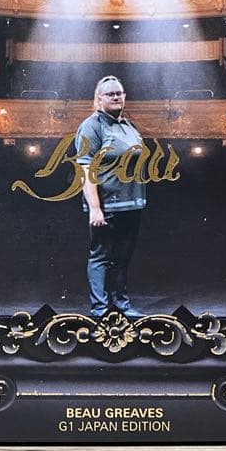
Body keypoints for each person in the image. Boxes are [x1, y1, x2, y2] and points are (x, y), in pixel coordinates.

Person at [74, 75, 146, 319]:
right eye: (110, 94)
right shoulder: (91, 126)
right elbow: (85, 170)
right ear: (99, 98)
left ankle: (122, 304)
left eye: (119, 93)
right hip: (107, 206)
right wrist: (95, 208)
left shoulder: (129, 125)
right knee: (101, 256)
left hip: (131, 205)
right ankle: (100, 309)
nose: (116, 97)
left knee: (122, 258)